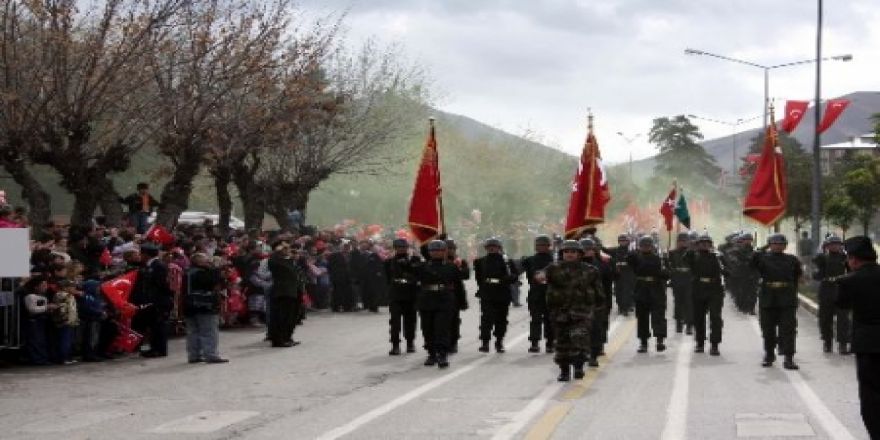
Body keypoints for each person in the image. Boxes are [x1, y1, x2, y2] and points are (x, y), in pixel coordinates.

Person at [835, 236, 880, 439]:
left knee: (871, 395)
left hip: (868, 344)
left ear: (852, 259)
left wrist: (847, 276)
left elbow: (842, 304)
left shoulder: (848, 281)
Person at [544, 240, 602, 381]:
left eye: (573, 252)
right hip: (560, 313)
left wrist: (597, 307)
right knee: (562, 343)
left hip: (581, 313)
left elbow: (598, 291)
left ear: (580, 254)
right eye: (566, 252)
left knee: (579, 340)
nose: (569, 254)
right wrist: (539, 277)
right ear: (562, 253)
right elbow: (541, 276)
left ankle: (578, 367)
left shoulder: (590, 270)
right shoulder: (553, 269)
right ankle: (564, 371)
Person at [751, 233, 803, 369]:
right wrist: (761, 249)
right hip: (768, 297)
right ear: (770, 245)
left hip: (786, 298)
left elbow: (797, 276)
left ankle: (789, 358)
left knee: (788, 329)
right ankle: (769, 355)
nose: (778, 246)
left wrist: (793, 294)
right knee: (768, 329)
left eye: (781, 244)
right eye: (774, 244)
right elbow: (751, 264)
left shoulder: (792, 259)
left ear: (785, 246)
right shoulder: (762, 258)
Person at [415, 240, 459, 368]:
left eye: (439, 250)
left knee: (442, 328)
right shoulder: (422, 266)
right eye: (433, 250)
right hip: (427, 299)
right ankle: (431, 353)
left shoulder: (451, 266)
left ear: (445, 251)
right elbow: (414, 278)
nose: (436, 253)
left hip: (444, 299)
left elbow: (457, 285)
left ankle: (442, 354)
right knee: (427, 328)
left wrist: (459, 302)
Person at [183, 253, 228, 363]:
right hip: (205, 304)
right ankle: (211, 354)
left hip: (189, 305)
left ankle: (194, 355)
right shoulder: (202, 273)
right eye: (206, 260)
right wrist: (216, 269)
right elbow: (212, 282)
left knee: (193, 331)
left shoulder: (187, 272)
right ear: (199, 262)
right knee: (209, 331)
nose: (209, 262)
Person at [130, 243, 174, 358]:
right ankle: (154, 348)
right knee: (153, 325)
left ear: (146, 254)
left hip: (159, 300)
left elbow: (161, 284)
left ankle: (159, 350)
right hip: (152, 300)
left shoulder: (158, 266)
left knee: (159, 325)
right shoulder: (148, 265)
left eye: (142, 253)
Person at [474, 238, 517, 353]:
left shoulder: (507, 261)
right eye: (489, 246)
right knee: (486, 319)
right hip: (487, 293)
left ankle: (499, 342)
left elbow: (514, 276)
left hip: (502, 293)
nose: (492, 248)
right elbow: (479, 278)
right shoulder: (480, 261)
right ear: (486, 248)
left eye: (494, 246)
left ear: (499, 248)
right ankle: (485, 343)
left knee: (501, 319)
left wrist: (508, 278)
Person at [628, 236, 669, 353]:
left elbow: (667, 274)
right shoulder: (636, 257)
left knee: (659, 316)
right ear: (640, 247)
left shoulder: (659, 258)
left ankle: (660, 340)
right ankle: (643, 342)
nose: (646, 248)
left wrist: (665, 262)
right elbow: (629, 260)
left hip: (656, 289)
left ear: (652, 246)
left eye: (648, 245)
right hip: (641, 289)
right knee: (642, 318)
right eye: (643, 246)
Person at [685, 235, 725, 356]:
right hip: (698, 289)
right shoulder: (693, 256)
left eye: (707, 243)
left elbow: (727, 269)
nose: (704, 245)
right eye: (702, 243)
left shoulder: (717, 256)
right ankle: (700, 343)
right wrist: (691, 249)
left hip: (715, 290)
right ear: (697, 244)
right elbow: (685, 260)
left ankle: (715, 344)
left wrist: (725, 268)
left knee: (715, 317)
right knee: (699, 318)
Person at [812, 235, 850, 354]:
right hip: (826, 289)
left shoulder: (846, 258)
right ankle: (827, 342)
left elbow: (852, 272)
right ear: (827, 246)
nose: (834, 246)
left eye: (837, 244)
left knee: (843, 319)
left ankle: (843, 344)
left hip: (841, 289)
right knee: (825, 318)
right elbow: (816, 274)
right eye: (831, 244)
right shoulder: (822, 258)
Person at [385, 239, 421, 355]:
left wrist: (410, 265)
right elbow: (387, 278)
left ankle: (410, 343)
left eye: (404, 247)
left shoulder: (414, 260)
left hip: (410, 293)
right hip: (396, 294)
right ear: (395, 248)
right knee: (395, 322)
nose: (402, 249)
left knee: (410, 321)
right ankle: (395, 345)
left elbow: (418, 275)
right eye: (399, 247)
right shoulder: (389, 261)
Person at [521, 235, 555, 353]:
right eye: (539, 245)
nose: (541, 247)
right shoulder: (529, 260)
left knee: (549, 320)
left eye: (543, 245)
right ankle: (534, 343)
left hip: (551, 293)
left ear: (548, 246)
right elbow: (517, 270)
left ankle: (550, 343)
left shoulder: (554, 261)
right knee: (535, 319)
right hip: (535, 293)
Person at [582, 238, 613, 366]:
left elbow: (612, 277)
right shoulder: (575, 265)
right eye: (584, 250)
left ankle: (596, 349)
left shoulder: (602, 263)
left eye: (589, 249)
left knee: (598, 326)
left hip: (599, 300)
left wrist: (609, 263)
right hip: (580, 301)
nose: (586, 252)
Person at [267, 242, 305, 347]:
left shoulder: (290, 262)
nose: (288, 251)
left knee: (292, 318)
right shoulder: (276, 262)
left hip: (294, 293)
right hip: (283, 293)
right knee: (282, 317)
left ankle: (288, 337)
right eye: (285, 249)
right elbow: (272, 261)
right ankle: (279, 340)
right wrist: (277, 250)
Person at [666, 232, 694, 335]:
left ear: (688, 242)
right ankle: (679, 322)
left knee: (689, 303)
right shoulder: (672, 253)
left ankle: (689, 324)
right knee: (678, 302)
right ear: (677, 242)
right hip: (677, 279)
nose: (682, 243)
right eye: (680, 241)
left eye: (684, 241)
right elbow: (668, 266)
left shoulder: (692, 253)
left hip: (688, 279)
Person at [446, 239, 470, 354]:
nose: (450, 251)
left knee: (454, 320)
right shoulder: (439, 262)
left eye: (452, 248)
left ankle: (453, 342)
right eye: (447, 248)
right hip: (441, 293)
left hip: (455, 292)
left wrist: (456, 269)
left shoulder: (460, 262)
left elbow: (466, 275)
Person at [610, 234, 635, 316]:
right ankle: (620, 306)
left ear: (627, 241)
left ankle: (626, 307)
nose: (622, 242)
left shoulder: (631, 251)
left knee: (627, 291)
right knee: (618, 291)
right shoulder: (615, 250)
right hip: (618, 274)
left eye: (624, 240)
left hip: (628, 273)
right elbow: (605, 251)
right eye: (621, 241)